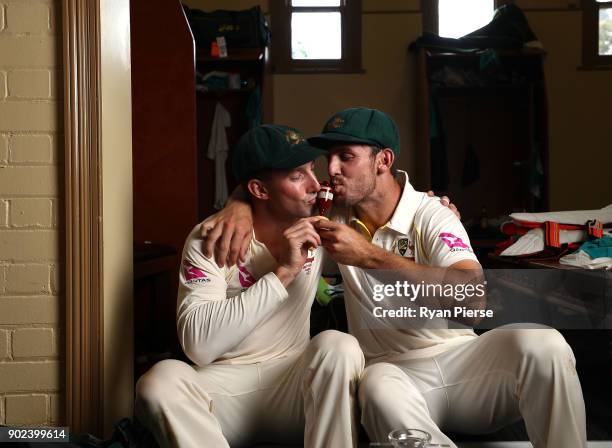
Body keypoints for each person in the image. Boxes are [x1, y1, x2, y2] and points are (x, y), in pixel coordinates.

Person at [201, 108, 587, 448]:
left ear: (383, 160)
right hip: (394, 374)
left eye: (346, 157)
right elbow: (270, 186)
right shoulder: (329, 211)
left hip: (465, 363)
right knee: (377, 384)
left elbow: (474, 301)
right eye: (329, 157)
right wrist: (237, 204)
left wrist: (369, 256)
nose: (330, 170)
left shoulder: (432, 213)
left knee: (546, 343)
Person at [135, 124, 365, 448]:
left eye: (311, 169)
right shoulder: (210, 238)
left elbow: (387, 219)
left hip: (294, 387)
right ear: (258, 190)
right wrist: (284, 271)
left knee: (338, 346)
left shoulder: (324, 226)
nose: (316, 185)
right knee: (158, 383)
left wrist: (433, 208)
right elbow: (198, 346)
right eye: (297, 176)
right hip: (224, 393)